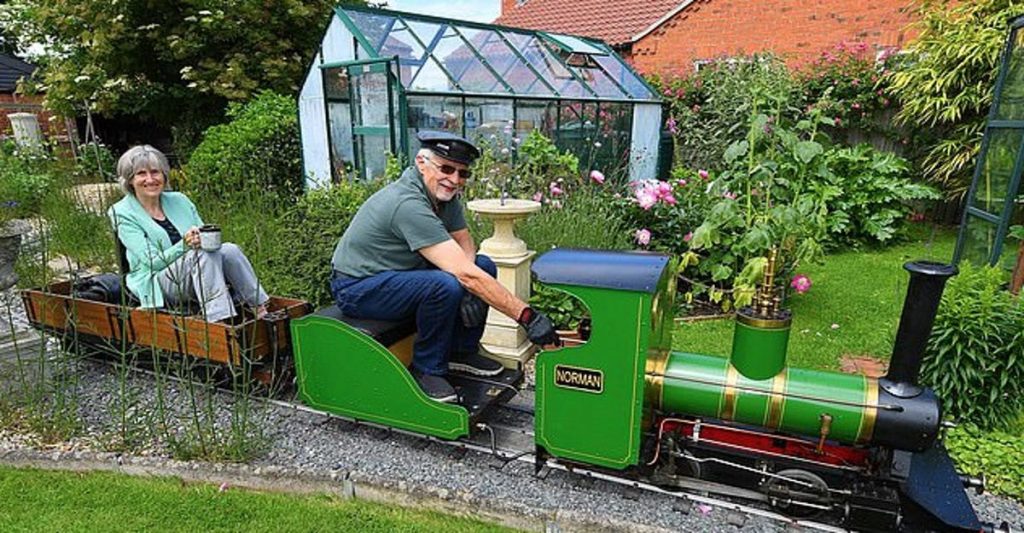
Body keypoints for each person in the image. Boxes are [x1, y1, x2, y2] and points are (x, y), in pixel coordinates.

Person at [330, 131, 558, 403]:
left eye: (463, 173)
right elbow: (463, 273)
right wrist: (528, 317)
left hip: (400, 274)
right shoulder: (407, 204)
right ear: (421, 163)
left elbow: (465, 243)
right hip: (357, 287)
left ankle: (461, 352)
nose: (455, 179)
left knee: (483, 265)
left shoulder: (443, 197)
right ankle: (427, 369)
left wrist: (470, 289)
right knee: (445, 284)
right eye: (446, 169)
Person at [108, 145, 269, 322]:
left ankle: (259, 307)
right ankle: (219, 319)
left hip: (198, 271)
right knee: (199, 256)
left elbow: (205, 239)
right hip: (157, 282)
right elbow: (153, 262)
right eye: (141, 174)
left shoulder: (180, 200)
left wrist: (204, 239)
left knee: (230, 249)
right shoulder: (121, 212)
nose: (150, 179)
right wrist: (185, 245)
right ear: (130, 180)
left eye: (155, 172)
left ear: (164, 175)